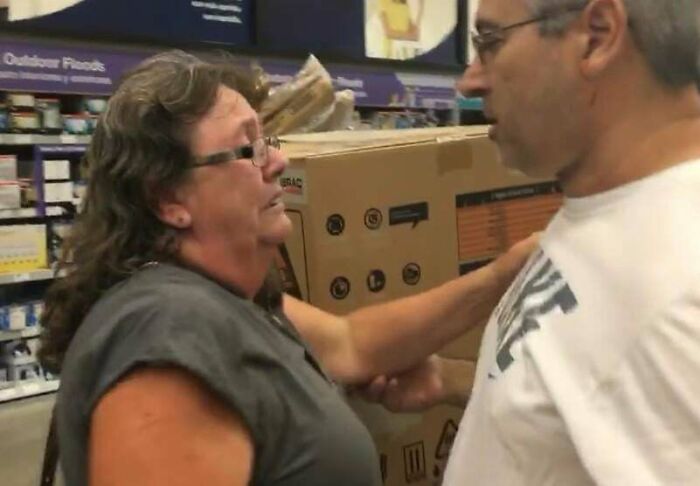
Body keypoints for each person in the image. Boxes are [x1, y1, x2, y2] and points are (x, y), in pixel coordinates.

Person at [38, 50, 536, 486]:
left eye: (268, 141)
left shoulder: (229, 301)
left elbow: (352, 344)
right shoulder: (167, 335)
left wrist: (505, 274)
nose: (277, 162)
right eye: (249, 148)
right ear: (168, 198)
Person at [439, 0, 700, 484]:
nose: (469, 82)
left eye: (491, 42)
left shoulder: (679, 290)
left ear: (596, 36)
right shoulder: (610, 207)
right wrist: (454, 381)